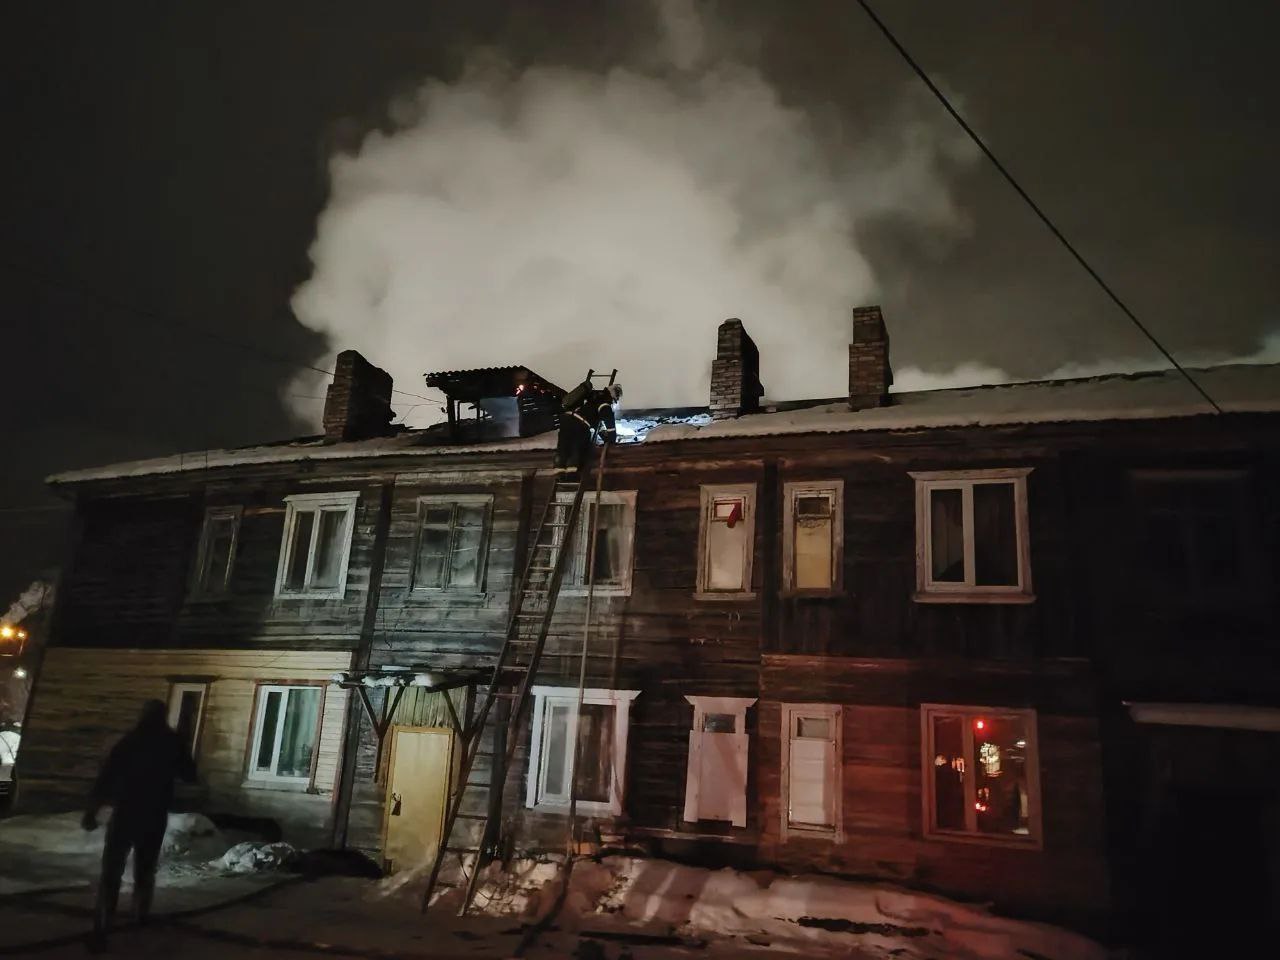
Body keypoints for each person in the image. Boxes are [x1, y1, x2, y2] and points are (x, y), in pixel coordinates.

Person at [82, 699, 197, 950]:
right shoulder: (170, 743)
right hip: (152, 815)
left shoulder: (130, 742)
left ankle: (103, 925)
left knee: (112, 870)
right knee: (144, 869)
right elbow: (190, 775)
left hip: (126, 812)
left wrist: (92, 811)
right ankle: (138, 918)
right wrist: (182, 746)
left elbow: (106, 777)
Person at [554, 382, 621, 472]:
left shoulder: (592, 397)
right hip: (580, 424)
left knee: (564, 447)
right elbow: (610, 426)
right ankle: (573, 472)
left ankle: (559, 471)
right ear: (613, 397)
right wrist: (611, 442)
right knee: (579, 449)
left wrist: (604, 437)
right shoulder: (605, 405)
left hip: (566, 420)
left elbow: (597, 425)